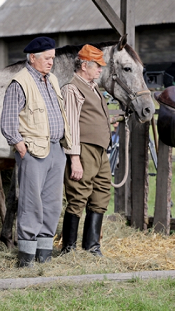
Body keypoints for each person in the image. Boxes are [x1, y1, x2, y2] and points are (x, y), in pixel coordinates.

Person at [0, 36, 71, 267]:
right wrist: (20, 146)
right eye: (47, 58)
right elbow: (8, 121)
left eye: (53, 58)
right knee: (31, 203)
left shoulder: (51, 80)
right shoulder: (19, 82)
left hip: (55, 149)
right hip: (32, 152)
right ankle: (26, 259)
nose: (51, 62)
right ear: (32, 58)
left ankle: (44, 256)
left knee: (52, 204)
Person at [60, 44, 112, 257]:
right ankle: (69, 249)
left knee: (101, 193)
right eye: (97, 66)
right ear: (84, 65)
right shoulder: (72, 89)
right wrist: (74, 158)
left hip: (100, 150)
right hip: (83, 149)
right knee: (78, 195)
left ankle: (92, 247)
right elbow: (70, 125)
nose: (100, 70)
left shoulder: (93, 88)